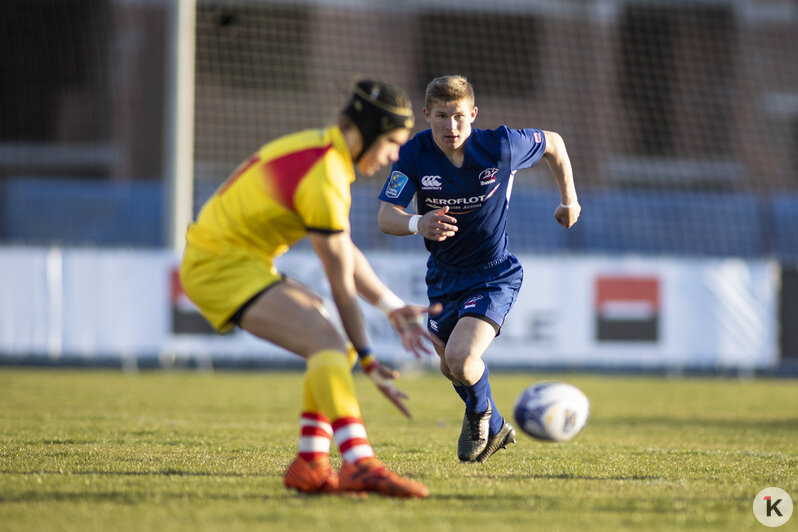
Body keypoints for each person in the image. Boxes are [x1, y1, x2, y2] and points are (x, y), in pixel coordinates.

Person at [180, 79, 442, 498]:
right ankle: (359, 463)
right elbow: (340, 282)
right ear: (369, 131)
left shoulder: (324, 153)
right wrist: (372, 360)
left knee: (337, 345)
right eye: (392, 141)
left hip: (233, 261)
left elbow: (344, 251)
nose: (395, 154)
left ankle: (310, 463)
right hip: (219, 267)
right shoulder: (325, 175)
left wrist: (391, 307)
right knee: (332, 344)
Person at [377, 75, 580, 463]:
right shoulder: (414, 154)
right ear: (426, 115)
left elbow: (553, 142)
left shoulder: (501, 146)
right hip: (443, 275)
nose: (450, 127)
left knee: (463, 359)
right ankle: (498, 423)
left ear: (473, 114)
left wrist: (569, 200)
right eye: (440, 116)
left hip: (493, 273)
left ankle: (479, 415)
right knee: (450, 367)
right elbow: (387, 216)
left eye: (458, 117)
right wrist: (418, 222)